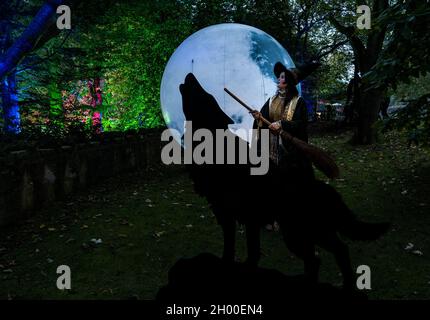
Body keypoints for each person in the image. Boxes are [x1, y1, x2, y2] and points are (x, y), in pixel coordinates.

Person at [250, 62, 316, 231]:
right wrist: (258, 117)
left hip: (288, 150)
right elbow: (264, 119)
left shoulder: (298, 102)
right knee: (269, 183)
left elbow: (301, 124)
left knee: (287, 185)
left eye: (282, 78)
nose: (278, 80)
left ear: (289, 82)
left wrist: (282, 125)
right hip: (270, 147)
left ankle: (286, 218)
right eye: (279, 77)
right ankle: (269, 217)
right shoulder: (271, 100)